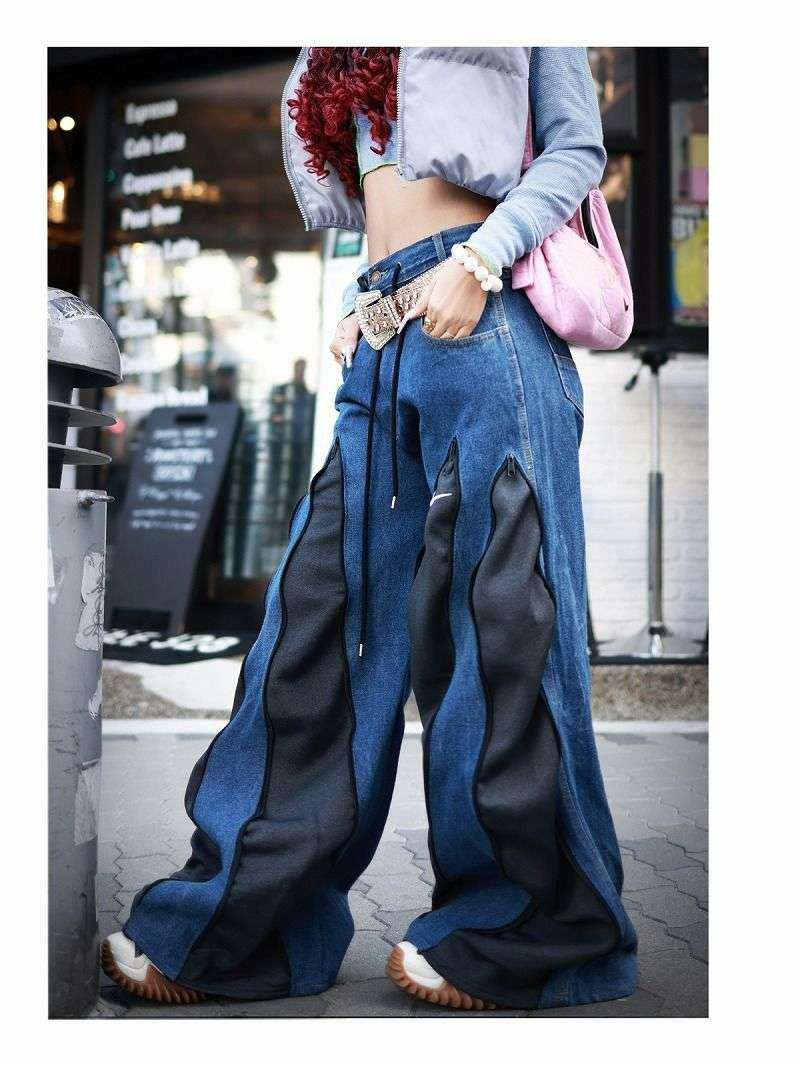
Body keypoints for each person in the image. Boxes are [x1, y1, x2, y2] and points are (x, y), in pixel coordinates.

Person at [102, 46, 639, 1012]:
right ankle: (246, 926)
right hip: (386, 332)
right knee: (316, 626)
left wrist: (482, 256)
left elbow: (575, 148)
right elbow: (383, 187)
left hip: (486, 316)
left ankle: (529, 931)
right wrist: (363, 292)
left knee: (501, 635)